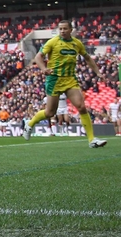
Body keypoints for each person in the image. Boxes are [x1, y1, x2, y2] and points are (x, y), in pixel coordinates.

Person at [24, 20, 107, 148]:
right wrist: (44, 69)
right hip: (54, 79)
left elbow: (88, 58)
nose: (62, 31)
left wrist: (98, 73)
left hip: (70, 80)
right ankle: (30, 124)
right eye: (60, 29)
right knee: (50, 113)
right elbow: (38, 57)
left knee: (81, 107)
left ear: (70, 30)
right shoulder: (53, 42)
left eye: (65, 28)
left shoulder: (77, 43)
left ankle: (92, 140)